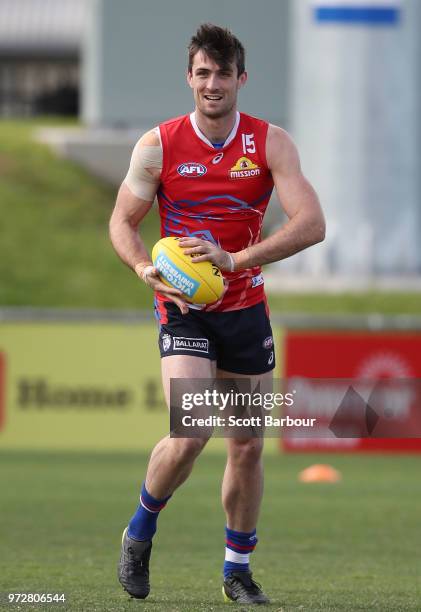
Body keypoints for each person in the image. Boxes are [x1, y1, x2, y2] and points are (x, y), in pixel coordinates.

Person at [109, 23, 325, 605]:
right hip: (183, 309)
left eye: (222, 74)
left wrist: (236, 259)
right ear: (190, 77)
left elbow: (311, 224)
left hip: (245, 307)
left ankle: (237, 569)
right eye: (202, 73)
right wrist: (142, 270)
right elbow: (121, 223)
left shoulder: (269, 144)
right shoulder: (158, 145)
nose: (211, 84)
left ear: (240, 80)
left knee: (248, 444)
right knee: (192, 429)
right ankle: (140, 529)